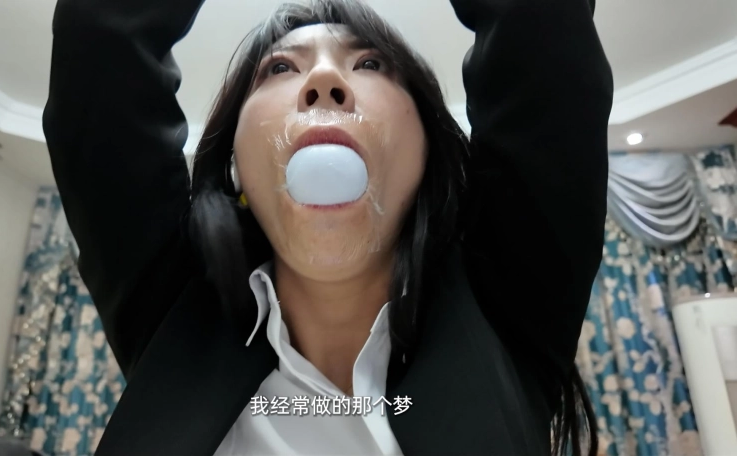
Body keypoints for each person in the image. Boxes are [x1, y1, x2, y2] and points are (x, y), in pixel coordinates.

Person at [43, 0, 613, 454]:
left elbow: (539, 27)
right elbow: (102, 47)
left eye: (369, 64)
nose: (322, 79)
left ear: (426, 152)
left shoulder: (505, 306)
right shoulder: (172, 311)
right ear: (237, 165)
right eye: (280, 67)